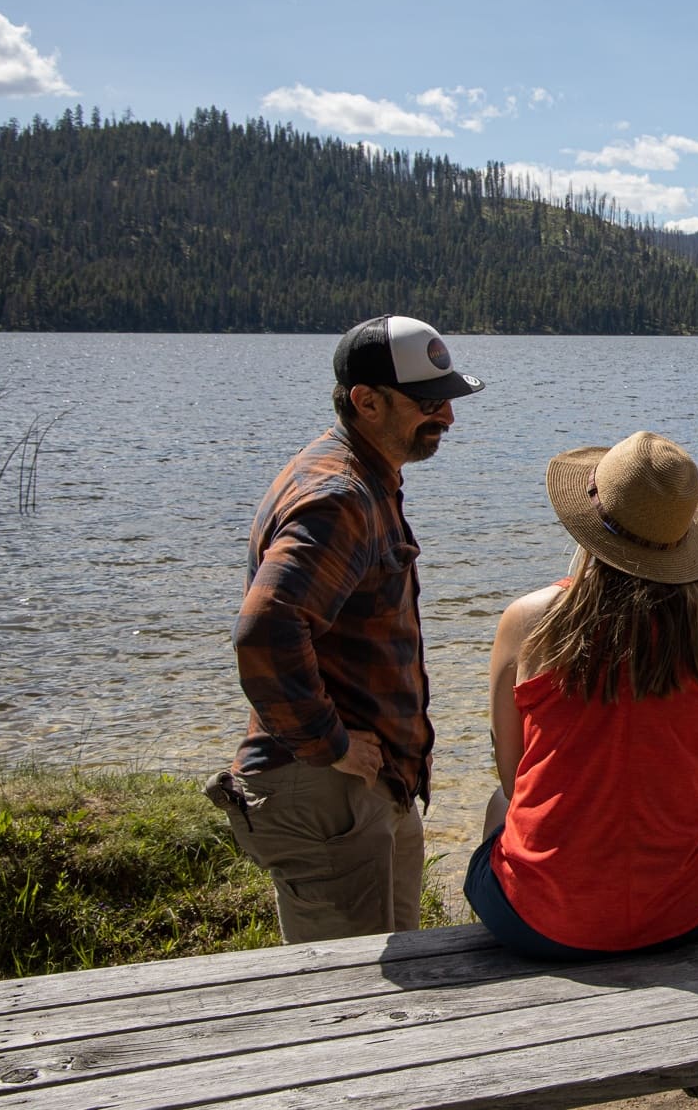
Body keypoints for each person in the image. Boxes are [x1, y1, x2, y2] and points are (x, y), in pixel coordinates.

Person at [207, 314, 484, 942]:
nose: (446, 418)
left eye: (448, 400)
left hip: (363, 789)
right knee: (341, 1009)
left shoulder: (363, 477)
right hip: (329, 793)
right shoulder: (338, 496)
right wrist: (329, 743)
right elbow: (264, 631)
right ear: (366, 401)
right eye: (428, 404)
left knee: (404, 984)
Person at [463, 431, 698, 959]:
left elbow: (514, 777)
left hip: (542, 923)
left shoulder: (528, 621)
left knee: (498, 803)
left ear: (588, 524)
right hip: (691, 912)